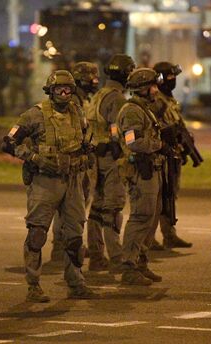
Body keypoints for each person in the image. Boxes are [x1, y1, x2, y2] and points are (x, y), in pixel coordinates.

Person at [2, 70, 96, 302]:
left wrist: (86, 154)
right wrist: (35, 158)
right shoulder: (35, 114)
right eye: (59, 90)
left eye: (68, 90)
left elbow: (86, 140)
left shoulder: (77, 112)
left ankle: (75, 283)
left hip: (73, 181)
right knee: (37, 234)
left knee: (74, 236)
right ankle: (33, 285)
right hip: (45, 182)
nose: (64, 94)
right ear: (50, 91)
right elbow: (9, 142)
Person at [85, 54, 135, 272]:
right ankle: (117, 257)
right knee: (113, 208)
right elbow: (118, 127)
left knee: (97, 207)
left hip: (96, 156)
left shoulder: (99, 94)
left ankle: (96, 255)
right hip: (111, 159)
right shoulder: (117, 99)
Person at [117, 67, 165, 285]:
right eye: (153, 86)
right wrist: (160, 144)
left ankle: (141, 261)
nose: (156, 90)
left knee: (151, 218)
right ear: (143, 89)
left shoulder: (145, 109)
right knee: (140, 218)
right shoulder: (131, 111)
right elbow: (133, 142)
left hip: (151, 169)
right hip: (140, 172)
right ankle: (129, 266)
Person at [50, 61, 99, 264]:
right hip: (71, 162)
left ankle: (69, 245)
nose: (94, 82)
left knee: (78, 204)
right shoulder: (72, 103)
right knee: (67, 207)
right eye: (91, 78)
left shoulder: (83, 100)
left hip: (81, 161)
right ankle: (60, 248)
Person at [150, 61, 192, 249]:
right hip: (161, 152)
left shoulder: (169, 99)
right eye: (170, 77)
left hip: (173, 153)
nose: (173, 80)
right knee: (158, 197)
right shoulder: (156, 100)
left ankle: (169, 234)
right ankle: (148, 238)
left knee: (170, 195)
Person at [8, 46, 32, 111]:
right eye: (19, 53)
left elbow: (29, 70)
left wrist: (28, 72)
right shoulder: (14, 60)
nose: (21, 54)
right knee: (13, 95)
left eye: (22, 52)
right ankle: (12, 107)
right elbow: (9, 70)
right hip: (15, 78)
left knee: (26, 94)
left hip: (23, 79)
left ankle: (28, 107)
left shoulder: (25, 61)